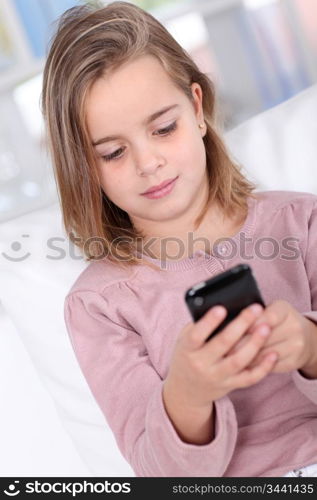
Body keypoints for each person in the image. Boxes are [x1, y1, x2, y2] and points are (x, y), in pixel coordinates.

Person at [41, 1, 317, 477]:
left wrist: (309, 345)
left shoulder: (301, 222)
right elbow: (159, 472)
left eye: (163, 128)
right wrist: (188, 393)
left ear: (196, 107)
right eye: (113, 152)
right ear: (84, 167)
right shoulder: (100, 304)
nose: (148, 163)